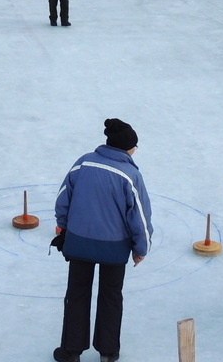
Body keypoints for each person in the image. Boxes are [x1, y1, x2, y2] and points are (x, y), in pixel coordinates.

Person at [52, 118, 152, 362]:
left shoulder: (83, 162)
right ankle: (108, 352)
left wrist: (65, 229)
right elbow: (139, 217)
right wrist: (141, 249)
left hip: (79, 243)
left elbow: (63, 199)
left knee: (76, 294)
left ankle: (70, 351)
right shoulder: (130, 175)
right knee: (111, 296)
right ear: (129, 148)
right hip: (114, 250)